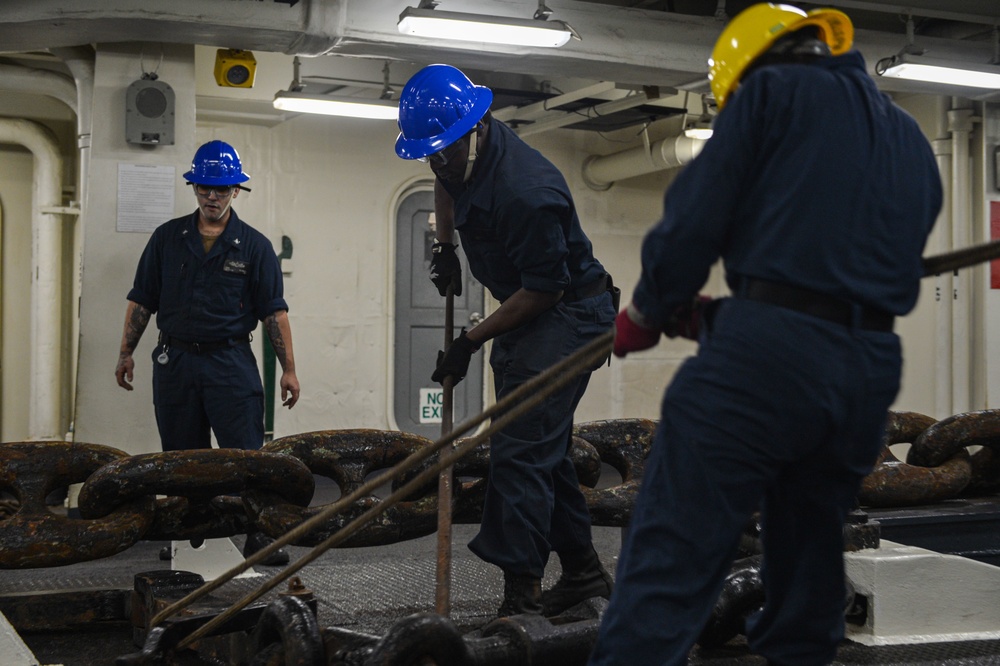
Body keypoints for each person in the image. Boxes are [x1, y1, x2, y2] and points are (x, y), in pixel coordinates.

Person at [589, 4, 943, 665]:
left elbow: (695, 220)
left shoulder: (772, 92)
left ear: (749, 72)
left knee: (672, 552)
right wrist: (720, 315)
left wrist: (646, 311)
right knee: (809, 564)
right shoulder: (908, 137)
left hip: (764, 365)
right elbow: (839, 280)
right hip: (866, 371)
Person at [395, 64, 618, 617]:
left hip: (570, 316)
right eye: (431, 151)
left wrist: (470, 341)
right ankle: (585, 574)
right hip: (531, 315)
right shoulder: (456, 153)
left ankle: (521, 595)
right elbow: (445, 182)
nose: (437, 159)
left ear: (477, 128)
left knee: (518, 451)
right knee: (545, 452)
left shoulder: (527, 191)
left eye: (444, 149)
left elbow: (544, 290)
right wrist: (442, 247)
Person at [115, 140, 300, 566]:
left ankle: (260, 536)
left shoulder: (254, 248)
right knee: (182, 456)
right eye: (204, 188)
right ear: (194, 187)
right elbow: (142, 300)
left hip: (230, 362)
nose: (212, 197)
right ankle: (188, 538)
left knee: (246, 454)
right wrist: (125, 352)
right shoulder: (166, 239)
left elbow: (275, 313)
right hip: (175, 362)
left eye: (221, 189)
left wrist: (289, 369)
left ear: (236, 190)